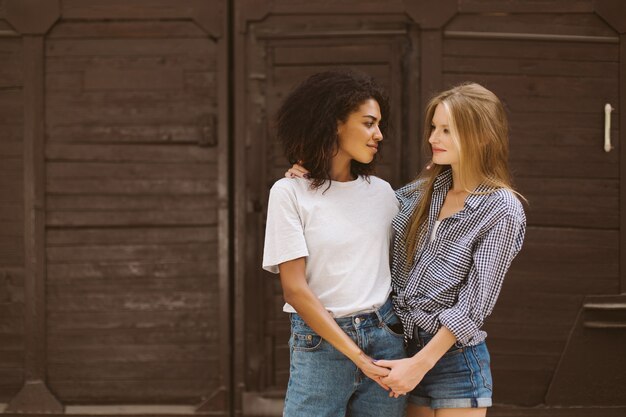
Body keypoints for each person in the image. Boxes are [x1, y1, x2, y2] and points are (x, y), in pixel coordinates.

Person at [287, 82, 526, 417]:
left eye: (447, 130)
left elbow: (474, 305)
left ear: (482, 136)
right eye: (434, 128)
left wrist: (420, 365)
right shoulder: (420, 194)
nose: (433, 139)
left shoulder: (501, 209)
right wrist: (311, 179)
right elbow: (354, 208)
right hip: (400, 352)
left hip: (452, 362)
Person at [262, 70, 407, 417]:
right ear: (334, 124)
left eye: (379, 125)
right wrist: (358, 356)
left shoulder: (384, 194)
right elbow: (294, 290)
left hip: (385, 337)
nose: (379, 135)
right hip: (321, 345)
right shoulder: (289, 193)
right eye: (369, 123)